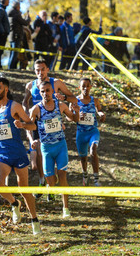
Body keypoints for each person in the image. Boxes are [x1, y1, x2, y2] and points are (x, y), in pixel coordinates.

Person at [0, 77, 40, 235]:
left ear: (6, 89)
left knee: (24, 190)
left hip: (18, 153)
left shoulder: (14, 106)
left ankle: (34, 220)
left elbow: (32, 124)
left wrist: (22, 125)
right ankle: (14, 204)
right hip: (2, 152)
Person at [23, 59, 76, 190]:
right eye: (37, 70)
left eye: (42, 69)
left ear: (47, 69)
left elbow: (73, 97)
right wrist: (27, 113)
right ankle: (45, 179)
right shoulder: (30, 85)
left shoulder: (56, 83)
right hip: (36, 122)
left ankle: (47, 183)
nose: (40, 72)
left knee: (43, 152)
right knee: (34, 163)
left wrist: (63, 98)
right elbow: (25, 101)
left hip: (52, 121)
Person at [29, 80, 80, 218]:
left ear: (52, 91)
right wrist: (32, 139)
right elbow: (29, 125)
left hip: (60, 145)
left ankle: (66, 208)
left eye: (48, 90)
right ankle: (49, 186)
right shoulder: (36, 109)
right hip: (46, 148)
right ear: (40, 93)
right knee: (51, 181)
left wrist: (77, 111)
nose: (45, 93)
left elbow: (74, 119)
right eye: (42, 91)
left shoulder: (60, 105)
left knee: (62, 177)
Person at [75, 78, 105, 186]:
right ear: (79, 87)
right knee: (83, 158)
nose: (85, 88)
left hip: (93, 131)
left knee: (93, 150)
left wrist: (101, 114)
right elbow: (69, 117)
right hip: (81, 133)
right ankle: (85, 174)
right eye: (83, 86)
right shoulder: (75, 101)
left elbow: (99, 110)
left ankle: (96, 179)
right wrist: (77, 116)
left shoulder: (95, 100)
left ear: (91, 87)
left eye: (88, 86)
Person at [7, 2, 31, 69]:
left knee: (12, 53)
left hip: (12, 36)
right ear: (17, 7)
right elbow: (25, 23)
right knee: (15, 54)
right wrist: (28, 18)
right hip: (16, 36)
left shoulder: (11, 13)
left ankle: (10, 67)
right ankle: (11, 68)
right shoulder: (16, 14)